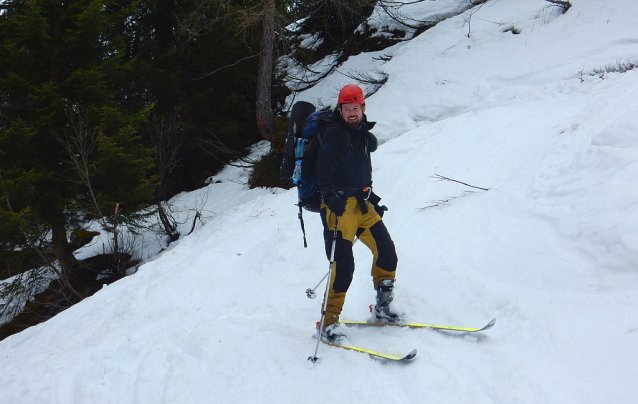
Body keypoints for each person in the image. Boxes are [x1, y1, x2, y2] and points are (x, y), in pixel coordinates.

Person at [315, 84, 400, 342]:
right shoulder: (332, 135)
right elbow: (322, 172)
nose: (352, 113)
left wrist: (371, 199)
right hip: (338, 209)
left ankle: (383, 308)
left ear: (363, 108)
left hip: (363, 206)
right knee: (343, 267)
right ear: (340, 110)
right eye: (347, 109)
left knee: (386, 252)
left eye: (356, 108)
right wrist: (330, 197)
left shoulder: (361, 132)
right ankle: (328, 323)